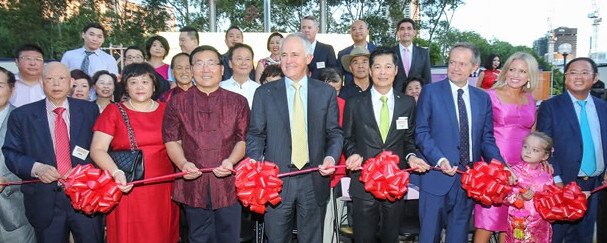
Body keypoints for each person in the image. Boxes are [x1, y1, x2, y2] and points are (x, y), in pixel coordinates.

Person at [247, 33, 343, 243]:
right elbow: (255, 134)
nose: (288, 60)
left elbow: (334, 133)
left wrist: (331, 158)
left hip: (314, 179)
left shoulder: (325, 92)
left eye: (294, 54)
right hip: (277, 180)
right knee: (277, 238)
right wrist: (255, 164)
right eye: (283, 55)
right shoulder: (264, 93)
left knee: (311, 238)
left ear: (308, 58)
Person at [415, 42, 505, 243]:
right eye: (452, 62)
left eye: (462, 64)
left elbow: (487, 139)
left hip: (469, 181)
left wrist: (501, 166)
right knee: (429, 236)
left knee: (459, 236)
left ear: (474, 68)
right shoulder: (430, 92)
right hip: (436, 177)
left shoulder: (482, 98)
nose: (455, 68)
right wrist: (439, 159)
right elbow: (421, 132)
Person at [2, 62, 102, 242]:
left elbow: (100, 148)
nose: (56, 84)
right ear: (41, 82)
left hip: (85, 197)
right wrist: (36, 168)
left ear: (71, 82)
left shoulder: (89, 110)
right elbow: (11, 153)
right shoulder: (22, 115)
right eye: (49, 79)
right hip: (44, 200)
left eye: (61, 78)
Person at [164, 45, 249, 243]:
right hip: (193, 184)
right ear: (192, 70)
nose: (205, 69)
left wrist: (231, 161)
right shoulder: (177, 103)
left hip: (230, 185)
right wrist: (183, 164)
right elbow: (172, 140)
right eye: (199, 64)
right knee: (198, 237)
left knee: (230, 237)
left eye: (211, 63)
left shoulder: (238, 102)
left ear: (221, 69)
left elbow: (242, 139)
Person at [342, 47, 428, 242]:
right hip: (363, 182)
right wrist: (352, 153)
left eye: (388, 66)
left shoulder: (407, 103)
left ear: (396, 70)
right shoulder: (354, 103)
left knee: (391, 237)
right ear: (371, 71)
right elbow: (347, 138)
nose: (383, 72)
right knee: (363, 238)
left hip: (394, 183)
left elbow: (408, 140)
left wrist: (412, 157)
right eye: (378, 67)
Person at [90, 63, 179, 243]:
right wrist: (116, 172)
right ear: (125, 87)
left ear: (154, 86)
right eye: (133, 82)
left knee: (162, 234)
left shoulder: (167, 110)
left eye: (145, 82)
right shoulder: (114, 111)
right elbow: (97, 149)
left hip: (163, 187)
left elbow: (178, 144)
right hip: (127, 184)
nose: (140, 87)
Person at [536, 57, 607, 243]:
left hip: (595, 186)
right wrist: (557, 179)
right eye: (573, 72)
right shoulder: (550, 107)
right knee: (558, 236)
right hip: (563, 184)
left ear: (595, 77)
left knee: (584, 236)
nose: (578, 77)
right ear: (566, 77)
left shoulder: (603, 108)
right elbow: (545, 145)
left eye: (585, 72)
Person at [473, 52, 539, 243]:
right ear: (505, 70)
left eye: (522, 71)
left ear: (530, 76)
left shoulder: (530, 99)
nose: (516, 75)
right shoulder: (489, 96)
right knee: (487, 224)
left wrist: (541, 162)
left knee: (513, 223)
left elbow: (534, 136)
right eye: (512, 69)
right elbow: (479, 135)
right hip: (494, 169)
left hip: (522, 171)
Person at [0, 67, 35, 243]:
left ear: (12, 90)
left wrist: (8, 180)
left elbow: (36, 160)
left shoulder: (25, 119)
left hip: (15, 209)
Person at [504, 132, 554, 243]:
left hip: (541, 224)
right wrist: (520, 198)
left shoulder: (547, 175)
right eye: (526, 147)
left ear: (545, 156)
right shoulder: (513, 172)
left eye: (535, 150)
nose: (528, 151)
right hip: (519, 223)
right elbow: (505, 196)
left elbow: (551, 199)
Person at [393, 18, 432, 92]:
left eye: (409, 28)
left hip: (417, 97)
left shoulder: (423, 53)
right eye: (402, 29)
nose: (406, 32)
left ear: (414, 32)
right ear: (398, 33)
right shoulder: (390, 53)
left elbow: (427, 79)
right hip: (396, 98)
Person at [336, 19, 377, 87]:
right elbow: (339, 76)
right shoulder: (343, 53)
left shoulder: (377, 51)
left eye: (360, 28)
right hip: (350, 94)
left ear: (367, 31)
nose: (357, 31)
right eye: (354, 29)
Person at [220, 43, 260, 108]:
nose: (244, 63)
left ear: (252, 64)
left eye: (247, 59)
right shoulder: (220, 87)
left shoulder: (259, 90)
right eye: (239, 59)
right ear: (230, 63)